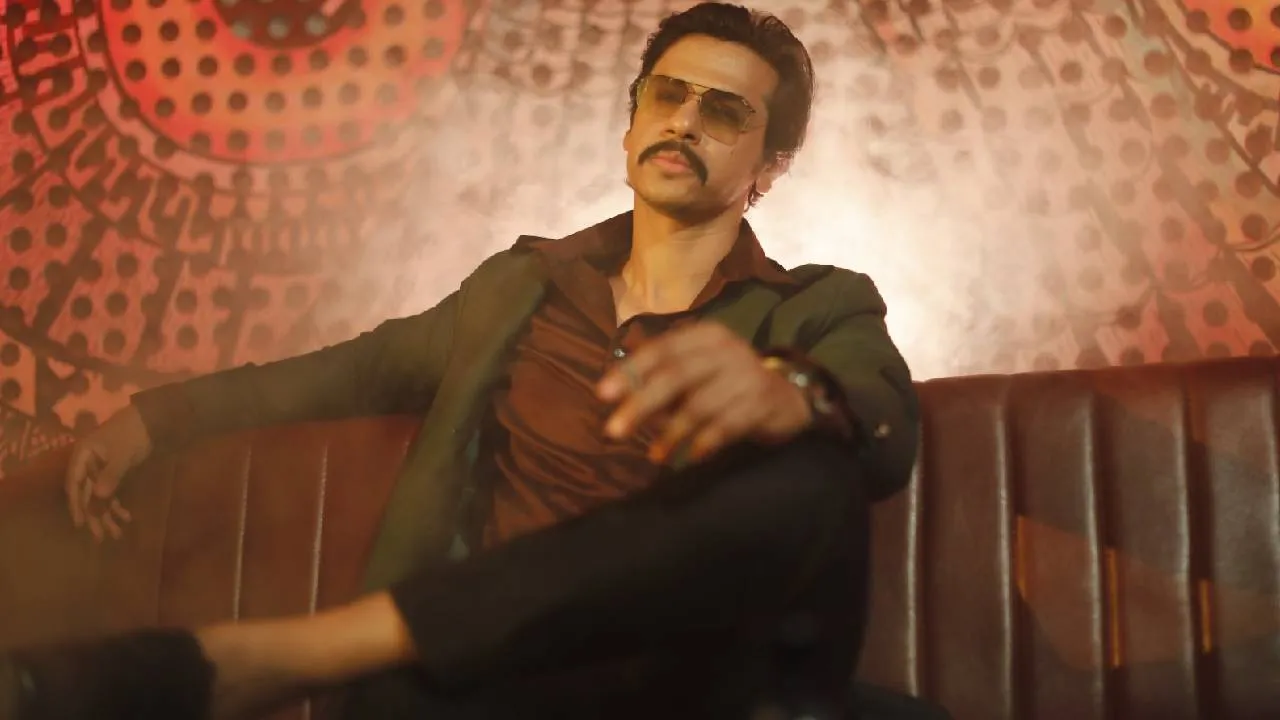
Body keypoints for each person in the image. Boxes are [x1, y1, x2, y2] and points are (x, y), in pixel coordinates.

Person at [1, 3, 919, 719]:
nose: (683, 120)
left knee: (816, 474)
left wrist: (789, 392)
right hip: (496, 678)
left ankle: (288, 656)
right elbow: (347, 372)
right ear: (631, 121)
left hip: (688, 679)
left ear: (769, 165)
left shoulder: (818, 304)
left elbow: (882, 417)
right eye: (665, 95)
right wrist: (153, 418)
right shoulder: (523, 287)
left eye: (722, 111)